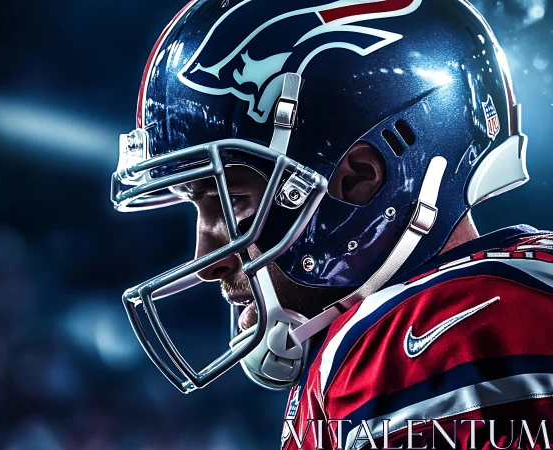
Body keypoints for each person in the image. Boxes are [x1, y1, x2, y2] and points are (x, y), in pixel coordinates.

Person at [110, 0, 553, 448]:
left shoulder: (421, 344)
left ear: (357, 183)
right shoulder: (524, 284)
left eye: (234, 202)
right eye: (197, 205)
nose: (207, 262)